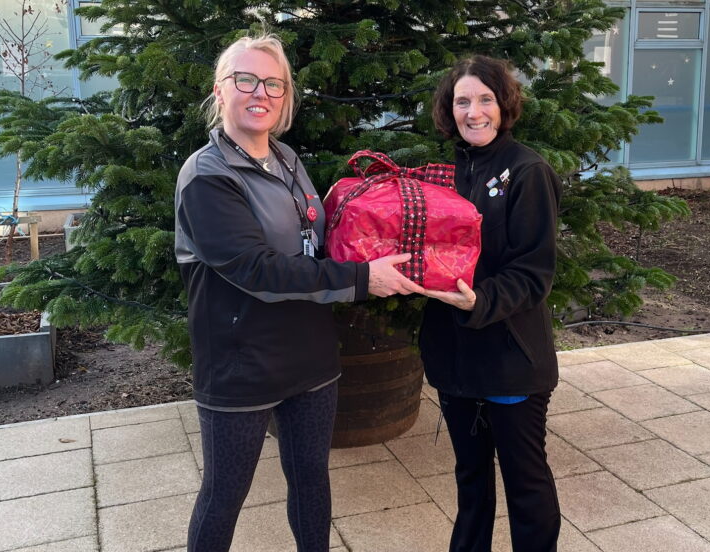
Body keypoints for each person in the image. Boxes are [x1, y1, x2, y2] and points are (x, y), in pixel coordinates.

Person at [174, 33, 423, 552]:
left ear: (285, 97)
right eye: (244, 80)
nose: (258, 92)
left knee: (311, 478)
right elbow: (256, 270)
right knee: (224, 496)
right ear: (220, 91)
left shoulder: (287, 159)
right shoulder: (206, 175)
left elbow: (315, 241)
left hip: (309, 358)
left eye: (273, 83)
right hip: (240, 365)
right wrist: (359, 279)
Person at [420, 55, 563, 552]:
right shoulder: (444, 174)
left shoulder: (528, 171)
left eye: (485, 99)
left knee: (525, 485)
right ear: (449, 108)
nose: (474, 111)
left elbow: (534, 272)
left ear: (503, 105)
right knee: (470, 483)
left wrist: (478, 299)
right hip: (454, 358)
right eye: (463, 101)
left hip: (510, 357)